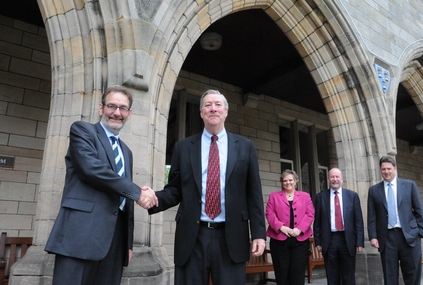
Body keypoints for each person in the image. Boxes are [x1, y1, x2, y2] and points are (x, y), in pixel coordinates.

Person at [147, 89, 266, 285]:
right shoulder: (183, 147)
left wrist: (259, 234)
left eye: (218, 105)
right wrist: (155, 198)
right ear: (201, 112)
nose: (213, 109)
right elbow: (175, 189)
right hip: (192, 237)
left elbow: (253, 193)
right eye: (208, 105)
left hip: (231, 237)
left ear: (226, 112)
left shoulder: (245, 147)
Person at [45, 85, 157, 285]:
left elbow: (124, 199)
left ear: (129, 114)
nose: (117, 113)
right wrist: (138, 192)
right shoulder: (83, 130)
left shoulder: (126, 151)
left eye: (123, 108)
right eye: (112, 106)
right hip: (80, 234)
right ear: (100, 108)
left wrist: (128, 243)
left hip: (115, 242)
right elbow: (92, 169)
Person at [367, 156, 423, 285]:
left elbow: (419, 210)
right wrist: (373, 236)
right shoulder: (373, 190)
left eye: (389, 168)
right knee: (390, 276)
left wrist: (419, 232)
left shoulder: (409, 185)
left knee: (413, 275)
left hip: (409, 237)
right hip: (387, 238)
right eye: (383, 169)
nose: (386, 172)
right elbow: (372, 217)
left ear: (395, 169)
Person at [313, 168, 364, 285]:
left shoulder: (352, 196)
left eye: (337, 177)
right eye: (332, 177)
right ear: (328, 179)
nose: (335, 179)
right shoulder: (321, 197)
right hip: (329, 240)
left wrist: (359, 242)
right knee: (332, 275)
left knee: (349, 275)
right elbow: (317, 222)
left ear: (341, 178)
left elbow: (358, 221)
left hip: (348, 240)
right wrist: (318, 241)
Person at [266, 169, 314, 285]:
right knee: (282, 275)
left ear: (295, 181)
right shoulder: (274, 196)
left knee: (297, 274)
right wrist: (281, 227)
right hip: (279, 241)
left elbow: (310, 214)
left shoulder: (305, 196)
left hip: (300, 241)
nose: (288, 183)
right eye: (285, 180)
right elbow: (269, 214)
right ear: (282, 182)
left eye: (290, 180)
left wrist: (299, 229)